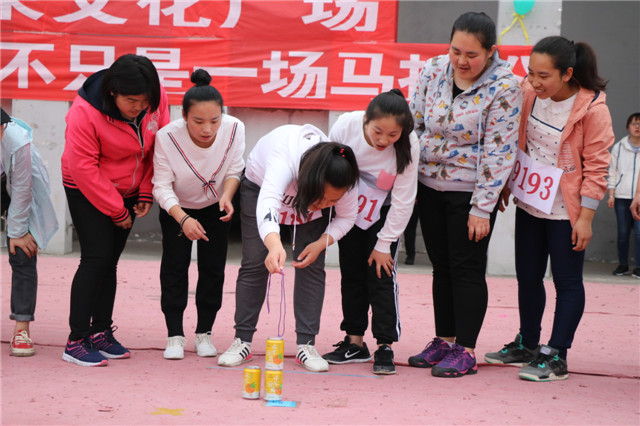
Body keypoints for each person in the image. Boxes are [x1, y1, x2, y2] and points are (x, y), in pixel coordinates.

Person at [484, 36, 613, 381]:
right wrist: (504, 186)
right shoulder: (529, 93)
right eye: (530, 73)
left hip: (566, 211)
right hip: (531, 203)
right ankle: (528, 342)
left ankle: (556, 353)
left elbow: (598, 166)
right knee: (528, 277)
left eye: (544, 76)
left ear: (568, 73)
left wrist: (585, 217)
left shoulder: (593, 110)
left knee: (567, 282)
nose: (534, 82)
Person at [408, 12, 521, 378]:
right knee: (441, 267)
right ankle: (444, 339)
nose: (461, 61)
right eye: (456, 50)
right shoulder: (432, 70)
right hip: (428, 184)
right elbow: (416, 122)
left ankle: (466, 350)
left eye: (471, 55)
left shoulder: (505, 86)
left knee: (467, 269)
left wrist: (482, 207)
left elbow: (499, 150)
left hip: (469, 192)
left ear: (491, 52)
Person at [217, 124, 359, 372]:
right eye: (321, 198)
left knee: (312, 265)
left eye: (332, 201)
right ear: (308, 181)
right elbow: (268, 204)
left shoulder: (344, 178)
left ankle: (307, 344)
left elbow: (347, 217)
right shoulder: (284, 159)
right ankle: (242, 340)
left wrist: (320, 243)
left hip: (302, 208)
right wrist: (273, 245)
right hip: (259, 188)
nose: (325, 205)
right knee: (255, 261)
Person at [61, 54, 170, 366]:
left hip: (131, 187)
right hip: (86, 185)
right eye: (131, 101)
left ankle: (100, 332)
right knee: (95, 258)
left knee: (110, 261)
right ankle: (76, 339)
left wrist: (146, 191)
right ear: (112, 93)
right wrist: (116, 210)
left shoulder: (156, 100)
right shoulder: (85, 112)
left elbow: (158, 148)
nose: (138, 108)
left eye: (144, 101)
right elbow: (83, 167)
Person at [321, 89, 419, 375]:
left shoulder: (409, 144)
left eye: (392, 135)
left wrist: (384, 243)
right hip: (348, 206)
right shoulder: (345, 126)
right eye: (378, 131)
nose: (383, 141)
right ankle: (354, 342)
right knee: (350, 273)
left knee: (381, 274)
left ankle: (384, 345)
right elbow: (328, 168)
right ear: (365, 119)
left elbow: (404, 199)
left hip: (385, 212)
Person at [153, 69, 245, 360]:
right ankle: (174, 335)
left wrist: (228, 196)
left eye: (214, 120)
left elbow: (234, 169)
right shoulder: (166, 136)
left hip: (216, 207)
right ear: (183, 116)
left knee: (213, 271)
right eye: (198, 121)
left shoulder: (234, 128)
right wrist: (182, 219)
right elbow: (161, 186)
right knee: (174, 269)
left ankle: (204, 333)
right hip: (176, 209)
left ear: (223, 115)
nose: (207, 129)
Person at [1, 109, 58, 357]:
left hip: (16, 183)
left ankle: (21, 328)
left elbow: (23, 189)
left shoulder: (17, 140)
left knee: (22, 250)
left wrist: (17, 232)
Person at [607, 113, 640, 277]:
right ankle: (623, 265)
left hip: (639, 199)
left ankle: (639, 267)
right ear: (628, 126)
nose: (637, 127)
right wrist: (611, 194)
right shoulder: (619, 147)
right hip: (621, 197)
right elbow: (612, 171)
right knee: (623, 233)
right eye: (634, 124)